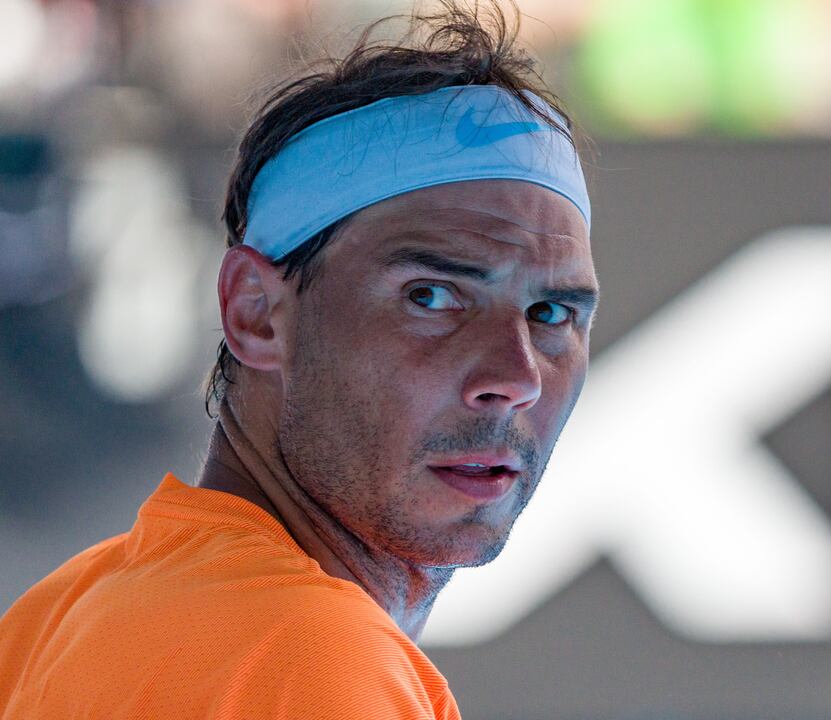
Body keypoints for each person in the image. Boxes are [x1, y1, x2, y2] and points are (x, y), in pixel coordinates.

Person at [0, 4, 597, 719]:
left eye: (552, 314)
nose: (516, 377)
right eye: (433, 296)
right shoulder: (310, 654)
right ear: (255, 312)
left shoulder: (55, 619)